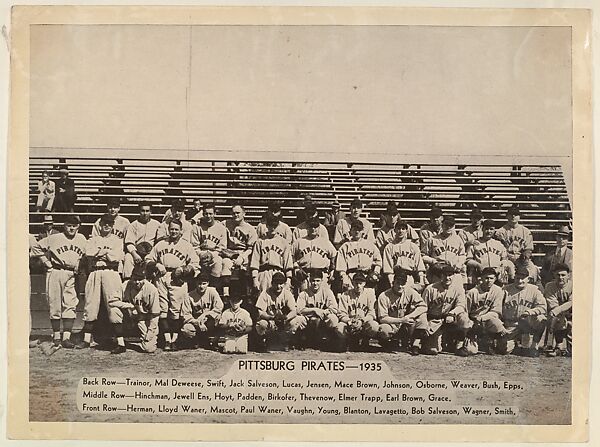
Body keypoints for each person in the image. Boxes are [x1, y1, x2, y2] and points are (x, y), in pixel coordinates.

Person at [29, 215, 86, 348]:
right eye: (69, 225)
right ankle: (56, 336)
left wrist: (79, 263)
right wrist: (46, 262)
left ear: (78, 227)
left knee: (70, 303)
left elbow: (85, 254)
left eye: (74, 226)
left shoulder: (82, 238)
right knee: (54, 303)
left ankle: (66, 337)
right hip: (55, 271)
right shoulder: (55, 238)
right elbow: (36, 247)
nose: (71, 228)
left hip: (72, 273)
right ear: (64, 226)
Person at [145, 219, 199, 351]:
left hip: (178, 277)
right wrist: (156, 264)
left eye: (176, 229)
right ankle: (167, 340)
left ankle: (174, 340)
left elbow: (196, 264)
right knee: (163, 309)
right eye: (172, 229)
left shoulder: (187, 246)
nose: (174, 231)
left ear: (181, 231)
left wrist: (185, 269)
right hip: (162, 276)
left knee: (176, 310)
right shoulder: (160, 244)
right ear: (168, 230)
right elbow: (148, 259)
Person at [77, 214, 125, 350]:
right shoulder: (92, 239)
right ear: (100, 224)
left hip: (111, 272)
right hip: (95, 272)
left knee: (114, 304)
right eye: (104, 223)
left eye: (110, 223)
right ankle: (87, 340)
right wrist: (105, 253)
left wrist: (100, 252)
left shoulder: (117, 240)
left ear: (113, 225)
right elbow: (89, 254)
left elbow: (116, 258)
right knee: (91, 305)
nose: (107, 225)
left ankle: (121, 343)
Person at [421, 263, 470, 355]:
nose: (447, 278)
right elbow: (422, 308)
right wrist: (424, 324)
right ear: (441, 276)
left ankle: (459, 345)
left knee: (464, 318)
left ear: (454, 276)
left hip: (449, 319)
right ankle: (428, 341)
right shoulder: (430, 289)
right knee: (434, 350)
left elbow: (461, 306)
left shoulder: (458, 289)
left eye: (450, 275)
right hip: (434, 320)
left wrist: (452, 314)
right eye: (445, 275)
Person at [377, 268, 428, 354]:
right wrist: (401, 320)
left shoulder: (410, 292)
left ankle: (414, 344)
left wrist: (410, 316)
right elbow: (382, 318)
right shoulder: (384, 295)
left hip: (406, 325)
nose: (400, 286)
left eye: (403, 283)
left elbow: (423, 307)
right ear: (393, 283)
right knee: (383, 330)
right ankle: (388, 343)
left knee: (422, 316)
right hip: (391, 324)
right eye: (398, 283)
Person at [499, 267, 547, 357]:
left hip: (528, 323)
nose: (520, 281)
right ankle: (517, 344)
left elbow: (543, 307)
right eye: (517, 278)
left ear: (528, 279)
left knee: (541, 318)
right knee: (504, 350)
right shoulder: (505, 290)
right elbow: (497, 307)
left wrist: (530, 312)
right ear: (514, 278)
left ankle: (534, 346)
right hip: (511, 325)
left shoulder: (534, 290)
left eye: (523, 278)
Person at [462, 268, 507, 356]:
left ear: (495, 279)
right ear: (481, 278)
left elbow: (496, 311)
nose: (488, 281)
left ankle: (491, 340)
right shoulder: (472, 292)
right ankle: (469, 341)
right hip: (474, 321)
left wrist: (482, 318)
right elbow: (465, 311)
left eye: (491, 278)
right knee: (471, 351)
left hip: (488, 319)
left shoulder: (498, 291)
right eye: (486, 278)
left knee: (497, 324)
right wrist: (469, 324)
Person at [255, 272, 304, 352]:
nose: (278, 286)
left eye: (281, 283)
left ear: (284, 284)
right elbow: (260, 312)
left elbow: (294, 311)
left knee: (296, 320)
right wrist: (271, 318)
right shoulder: (265, 293)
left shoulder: (287, 293)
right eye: (276, 283)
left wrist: (286, 318)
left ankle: (286, 341)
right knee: (261, 324)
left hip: (284, 321)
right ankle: (266, 341)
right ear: (272, 283)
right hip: (271, 320)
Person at [118, 264, 161, 354]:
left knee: (149, 348)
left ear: (144, 278)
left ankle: (146, 339)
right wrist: (128, 308)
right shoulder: (126, 285)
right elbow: (113, 300)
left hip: (146, 319)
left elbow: (155, 315)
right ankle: (120, 340)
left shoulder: (151, 289)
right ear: (131, 278)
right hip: (132, 316)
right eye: (135, 279)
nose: (137, 282)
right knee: (115, 310)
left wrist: (149, 333)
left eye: (140, 279)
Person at [295, 270, 339, 349]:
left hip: (323, 320)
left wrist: (323, 312)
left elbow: (334, 308)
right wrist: (314, 310)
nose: (315, 283)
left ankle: (331, 339)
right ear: (309, 281)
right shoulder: (304, 293)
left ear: (322, 281)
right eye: (313, 281)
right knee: (298, 319)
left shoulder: (327, 292)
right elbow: (299, 309)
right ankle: (301, 339)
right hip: (309, 322)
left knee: (333, 318)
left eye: (318, 281)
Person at [336, 272, 379, 351]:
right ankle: (349, 340)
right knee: (339, 328)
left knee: (374, 326)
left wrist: (362, 321)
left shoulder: (370, 294)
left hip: (364, 323)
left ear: (364, 283)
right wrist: (349, 321)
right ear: (352, 283)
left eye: (360, 283)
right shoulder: (345, 295)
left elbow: (372, 313)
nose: (358, 286)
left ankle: (365, 339)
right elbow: (341, 313)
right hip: (350, 323)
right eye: (356, 283)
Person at [291, 217, 337, 291]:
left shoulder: (325, 241)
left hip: (321, 274)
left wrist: (332, 270)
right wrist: (296, 267)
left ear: (318, 228)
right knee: (305, 298)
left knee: (323, 297)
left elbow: (333, 255)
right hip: (305, 274)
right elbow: (291, 255)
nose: (313, 229)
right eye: (311, 226)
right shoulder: (299, 241)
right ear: (307, 228)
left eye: (315, 227)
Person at [250, 214, 293, 292]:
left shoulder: (284, 242)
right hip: (263, 273)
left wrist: (288, 280)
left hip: (278, 272)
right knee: (263, 298)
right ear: (266, 226)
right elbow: (255, 263)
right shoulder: (260, 242)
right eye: (270, 225)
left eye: (275, 226)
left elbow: (288, 263)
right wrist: (255, 279)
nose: (273, 228)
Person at [180, 272, 224, 349]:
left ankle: (212, 341)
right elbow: (186, 314)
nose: (201, 286)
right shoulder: (189, 295)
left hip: (209, 320)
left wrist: (206, 315)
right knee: (186, 328)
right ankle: (196, 340)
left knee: (220, 320)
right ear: (196, 283)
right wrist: (197, 322)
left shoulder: (212, 291)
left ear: (208, 283)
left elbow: (219, 307)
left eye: (204, 284)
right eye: (199, 283)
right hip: (196, 322)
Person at [222, 204, 258, 296]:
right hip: (229, 252)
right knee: (225, 263)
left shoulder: (250, 229)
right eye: (233, 213)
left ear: (244, 214)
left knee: (248, 263)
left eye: (238, 213)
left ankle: (248, 292)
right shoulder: (225, 224)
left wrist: (241, 257)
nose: (236, 215)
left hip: (244, 252)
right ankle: (226, 293)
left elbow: (250, 248)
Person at [335, 219, 382, 291]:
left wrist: (376, 272)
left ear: (363, 231)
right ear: (350, 231)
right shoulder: (345, 246)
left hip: (367, 276)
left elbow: (378, 261)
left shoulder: (370, 245)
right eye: (354, 229)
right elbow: (341, 265)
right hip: (351, 276)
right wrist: (344, 277)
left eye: (359, 230)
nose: (357, 232)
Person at [191, 203, 228, 288]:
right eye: (206, 214)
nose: (208, 216)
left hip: (214, 253)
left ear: (215, 214)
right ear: (203, 214)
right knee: (194, 263)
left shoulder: (221, 228)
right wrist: (201, 254)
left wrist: (212, 254)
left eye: (210, 213)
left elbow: (222, 247)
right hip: (199, 253)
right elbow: (194, 245)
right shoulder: (197, 227)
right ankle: (196, 288)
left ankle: (214, 288)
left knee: (218, 261)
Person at [382, 220, 425, 292]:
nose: (400, 231)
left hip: (409, 277)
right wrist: (392, 284)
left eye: (403, 229)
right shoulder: (389, 247)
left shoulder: (413, 246)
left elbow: (419, 267)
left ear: (407, 231)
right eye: (398, 228)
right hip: (395, 277)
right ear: (394, 230)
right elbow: (388, 270)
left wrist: (421, 283)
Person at [422, 215, 466, 286]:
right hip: (438, 272)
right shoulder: (432, 239)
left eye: (451, 225)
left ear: (454, 226)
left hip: (452, 272)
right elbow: (423, 256)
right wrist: (433, 261)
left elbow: (463, 255)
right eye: (446, 224)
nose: (448, 227)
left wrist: (459, 263)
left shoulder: (458, 239)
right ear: (442, 225)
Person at [465, 219, 512, 286]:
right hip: (481, 275)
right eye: (486, 229)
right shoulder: (475, 243)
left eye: (491, 229)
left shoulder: (498, 244)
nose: (489, 231)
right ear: (482, 229)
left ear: (494, 230)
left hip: (496, 276)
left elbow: (504, 259)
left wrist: (501, 267)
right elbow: (468, 260)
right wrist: (478, 265)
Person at [123, 201, 160, 279]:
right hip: (137, 252)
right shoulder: (133, 225)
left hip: (151, 252)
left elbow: (159, 242)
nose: (145, 213)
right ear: (139, 212)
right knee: (128, 257)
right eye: (143, 211)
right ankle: (127, 280)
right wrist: (135, 255)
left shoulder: (156, 224)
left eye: (147, 211)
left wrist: (151, 254)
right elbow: (129, 243)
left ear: (151, 212)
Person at [542, 263, 572, 357]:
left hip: (573, 313)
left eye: (563, 275)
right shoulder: (549, 286)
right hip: (558, 314)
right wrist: (558, 313)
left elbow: (572, 302)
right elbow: (552, 304)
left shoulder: (574, 285)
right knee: (554, 318)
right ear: (554, 275)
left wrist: (558, 311)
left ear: (568, 275)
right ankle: (556, 346)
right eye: (558, 275)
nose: (560, 277)